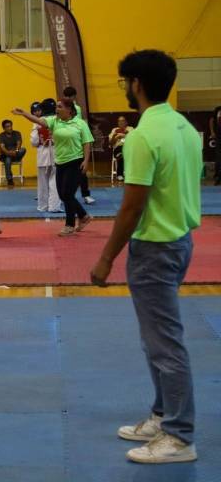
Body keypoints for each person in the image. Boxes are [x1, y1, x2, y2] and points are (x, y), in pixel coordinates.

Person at [91, 49, 202, 464]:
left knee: (165, 344)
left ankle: (180, 436)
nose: (125, 88)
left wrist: (105, 258)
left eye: (125, 81)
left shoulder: (142, 136)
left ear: (136, 84)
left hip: (155, 249)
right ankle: (162, 414)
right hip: (180, 242)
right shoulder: (185, 128)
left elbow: (132, 207)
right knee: (156, 340)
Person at [12, 97, 93, 236]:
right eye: (56, 106)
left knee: (68, 194)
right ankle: (83, 215)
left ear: (69, 109)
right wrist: (24, 113)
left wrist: (86, 160)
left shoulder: (80, 124)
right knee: (62, 195)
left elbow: (87, 143)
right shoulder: (54, 121)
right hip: (60, 162)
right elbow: (38, 121)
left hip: (76, 161)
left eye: (60, 107)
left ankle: (69, 225)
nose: (57, 109)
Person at [63, 86, 95, 204]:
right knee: (63, 172)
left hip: (76, 142)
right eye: (66, 96)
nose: (67, 98)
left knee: (81, 170)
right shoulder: (61, 107)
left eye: (69, 96)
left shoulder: (77, 109)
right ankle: (62, 196)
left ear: (73, 97)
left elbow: (79, 125)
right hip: (65, 142)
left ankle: (86, 195)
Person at [30, 100, 62, 212]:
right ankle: (54, 206)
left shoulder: (38, 122)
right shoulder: (58, 121)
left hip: (42, 154)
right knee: (55, 180)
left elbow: (34, 141)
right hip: (56, 152)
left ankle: (43, 206)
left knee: (42, 182)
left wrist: (40, 142)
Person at [0, 119, 26, 187]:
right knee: (7, 160)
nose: (10, 128)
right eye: (7, 126)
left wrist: (16, 151)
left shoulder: (17, 133)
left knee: (23, 149)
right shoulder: (0, 136)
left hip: (16, 154)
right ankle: (10, 180)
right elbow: (2, 147)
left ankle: (12, 156)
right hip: (5, 155)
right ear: (4, 128)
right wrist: (8, 153)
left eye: (10, 126)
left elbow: (19, 143)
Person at [108, 116, 133, 181]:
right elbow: (110, 143)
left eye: (122, 121)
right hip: (118, 148)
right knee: (121, 154)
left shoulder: (131, 129)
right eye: (119, 121)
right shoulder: (114, 130)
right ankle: (120, 175)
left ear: (126, 122)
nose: (121, 122)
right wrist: (114, 136)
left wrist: (124, 135)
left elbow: (134, 139)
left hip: (129, 148)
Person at [208, 105, 221, 185]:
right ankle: (218, 175)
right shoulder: (217, 109)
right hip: (219, 136)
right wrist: (212, 132)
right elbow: (211, 120)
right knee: (218, 156)